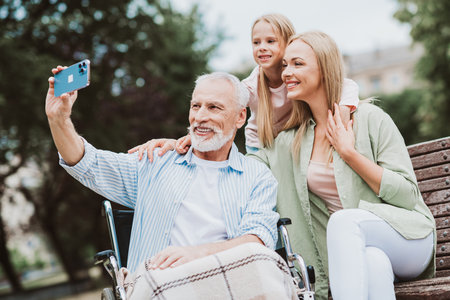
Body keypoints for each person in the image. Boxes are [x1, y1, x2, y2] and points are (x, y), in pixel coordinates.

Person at [45, 70, 297, 298]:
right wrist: (59, 120)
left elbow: (257, 241)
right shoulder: (155, 162)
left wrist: (195, 253)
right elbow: (88, 164)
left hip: (228, 282)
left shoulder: (257, 176)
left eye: (214, 108)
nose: (200, 117)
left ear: (240, 117)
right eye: (195, 106)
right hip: (161, 284)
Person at [248, 31, 436, 300]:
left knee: (344, 221)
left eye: (298, 64)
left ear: (324, 69)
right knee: (374, 263)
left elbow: (408, 195)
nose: (287, 72)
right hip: (362, 251)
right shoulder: (291, 141)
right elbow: (249, 163)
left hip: (409, 238)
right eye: (285, 64)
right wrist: (194, 139)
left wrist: (350, 153)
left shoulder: (371, 119)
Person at [128, 14, 360, 159]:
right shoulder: (250, 86)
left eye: (270, 41)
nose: (262, 47)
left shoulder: (298, 79)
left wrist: (342, 115)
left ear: (288, 44)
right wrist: (193, 136)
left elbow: (345, 85)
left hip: (292, 143)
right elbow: (222, 108)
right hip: (261, 146)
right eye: (256, 42)